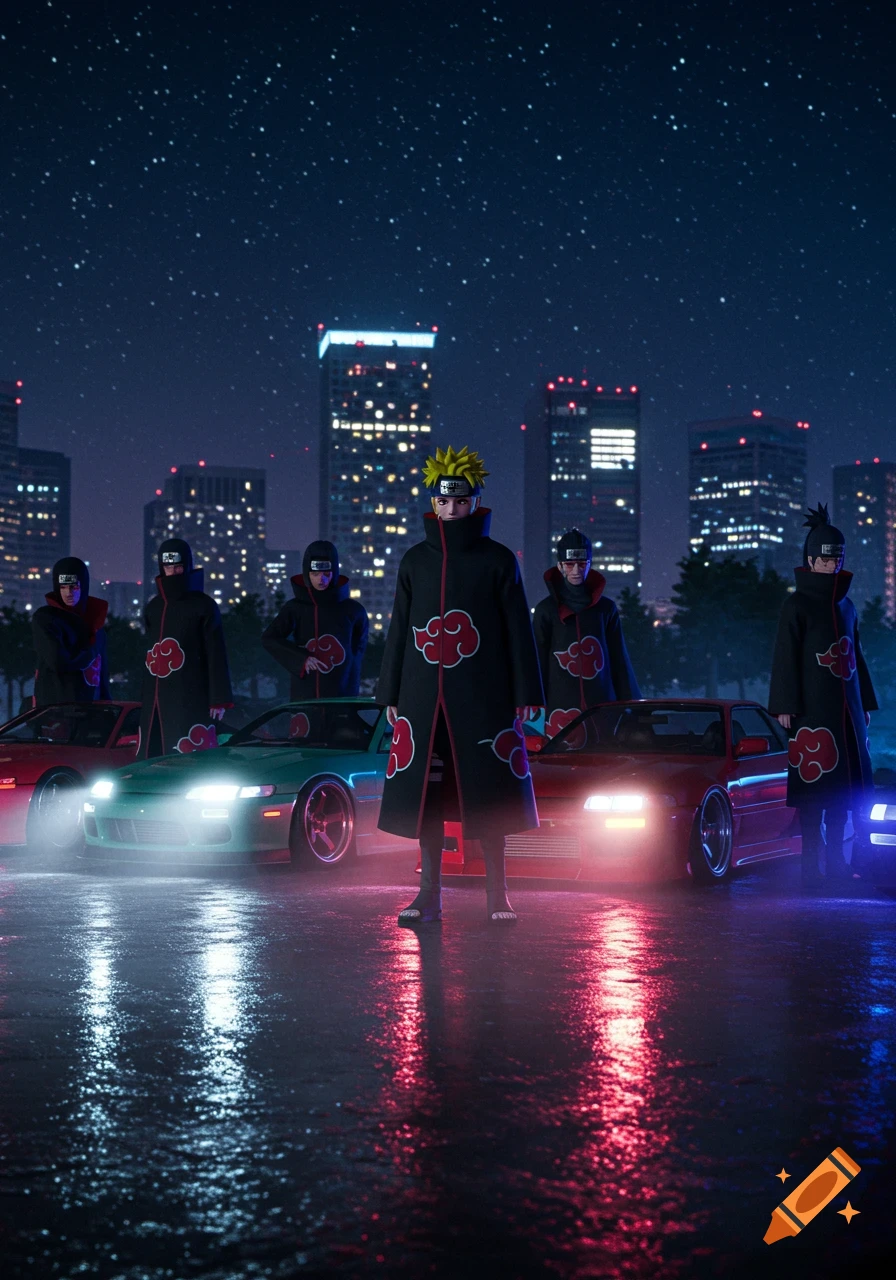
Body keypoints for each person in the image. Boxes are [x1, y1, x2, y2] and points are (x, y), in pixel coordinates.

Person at [376, 445, 544, 926]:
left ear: (475, 503)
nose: (453, 510)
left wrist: (526, 692)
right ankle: (428, 895)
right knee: (428, 798)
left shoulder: (498, 560)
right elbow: (400, 628)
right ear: (433, 504)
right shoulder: (414, 561)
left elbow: (517, 629)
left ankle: (498, 895)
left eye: (462, 502)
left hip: (485, 698)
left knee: (490, 794)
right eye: (445, 502)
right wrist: (391, 694)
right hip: (423, 701)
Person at [768, 503, 878, 887]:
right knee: (815, 795)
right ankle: (810, 868)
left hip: (846, 714)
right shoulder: (796, 604)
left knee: (843, 797)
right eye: (827, 560)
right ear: (811, 560)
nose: (833, 566)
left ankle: (838, 864)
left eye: (838, 559)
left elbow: (856, 655)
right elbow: (785, 657)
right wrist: (784, 705)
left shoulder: (847, 606)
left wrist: (864, 702)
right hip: (812, 715)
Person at [532, 528, 640, 738]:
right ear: (560, 566)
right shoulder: (546, 610)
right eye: (570, 564)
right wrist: (534, 720)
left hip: (602, 710)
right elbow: (537, 663)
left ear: (589, 564)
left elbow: (619, 660)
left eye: (582, 564)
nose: (576, 571)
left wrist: (634, 710)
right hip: (558, 713)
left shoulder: (605, 609)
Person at [137, 538, 233, 758]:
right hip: (155, 698)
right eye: (167, 567)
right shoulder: (154, 607)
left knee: (188, 753)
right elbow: (148, 656)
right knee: (153, 750)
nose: (172, 572)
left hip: (191, 693)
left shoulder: (204, 605)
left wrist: (218, 699)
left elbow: (216, 653)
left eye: (178, 567)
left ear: (187, 566)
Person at [261, 540, 368, 698]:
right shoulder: (295, 608)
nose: (321, 580)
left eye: (326, 574)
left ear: (334, 573)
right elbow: (269, 638)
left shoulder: (354, 610)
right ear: (307, 574)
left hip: (342, 691)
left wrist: (349, 682)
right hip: (305, 690)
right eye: (315, 574)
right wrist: (301, 659)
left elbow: (357, 653)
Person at [32, 557, 110, 706]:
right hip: (55, 710)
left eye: (74, 587)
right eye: (63, 587)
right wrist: (91, 651)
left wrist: (108, 707)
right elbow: (58, 662)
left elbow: (103, 676)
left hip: (92, 711)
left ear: (83, 586)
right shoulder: (46, 619)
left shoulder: (96, 625)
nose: (68, 593)